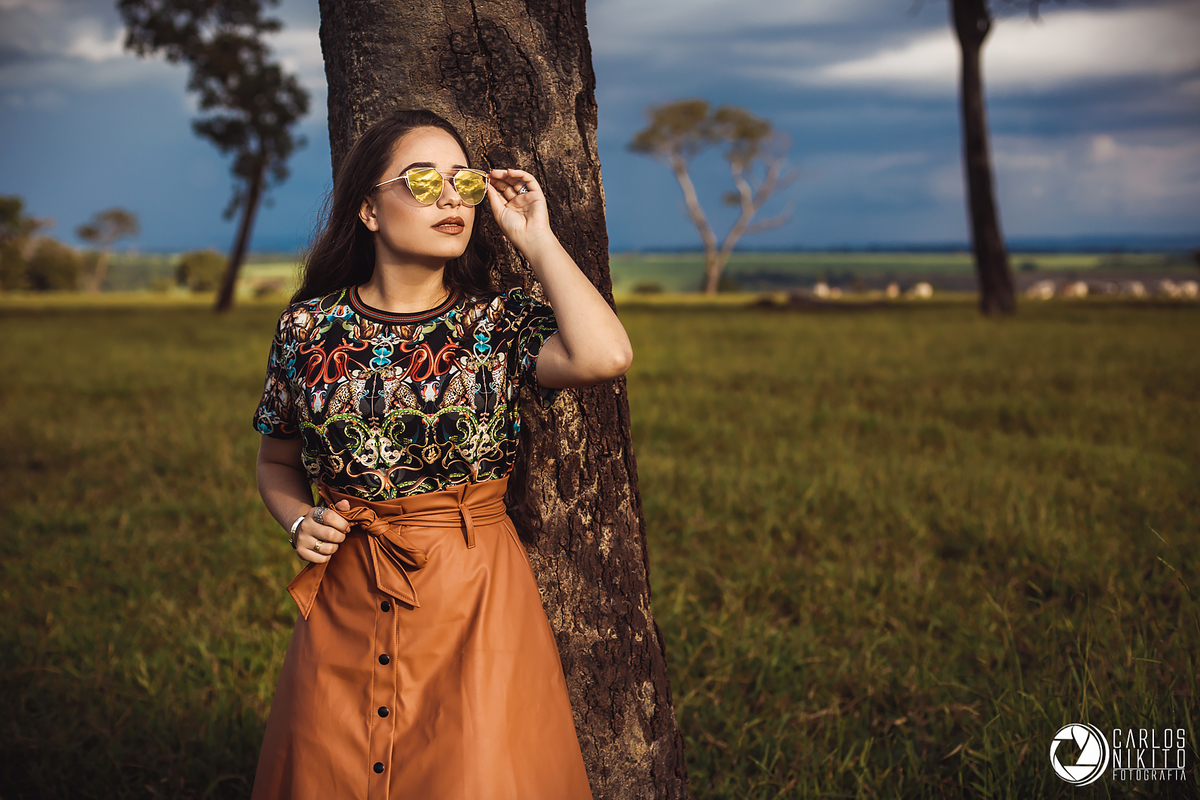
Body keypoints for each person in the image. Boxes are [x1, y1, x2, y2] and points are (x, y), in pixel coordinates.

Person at [249, 108, 631, 800]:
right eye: (423, 181)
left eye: (465, 182)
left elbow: (605, 356)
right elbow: (276, 463)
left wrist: (536, 238)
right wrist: (300, 522)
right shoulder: (307, 328)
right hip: (345, 597)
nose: (451, 197)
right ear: (368, 208)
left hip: (475, 598)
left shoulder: (497, 321)